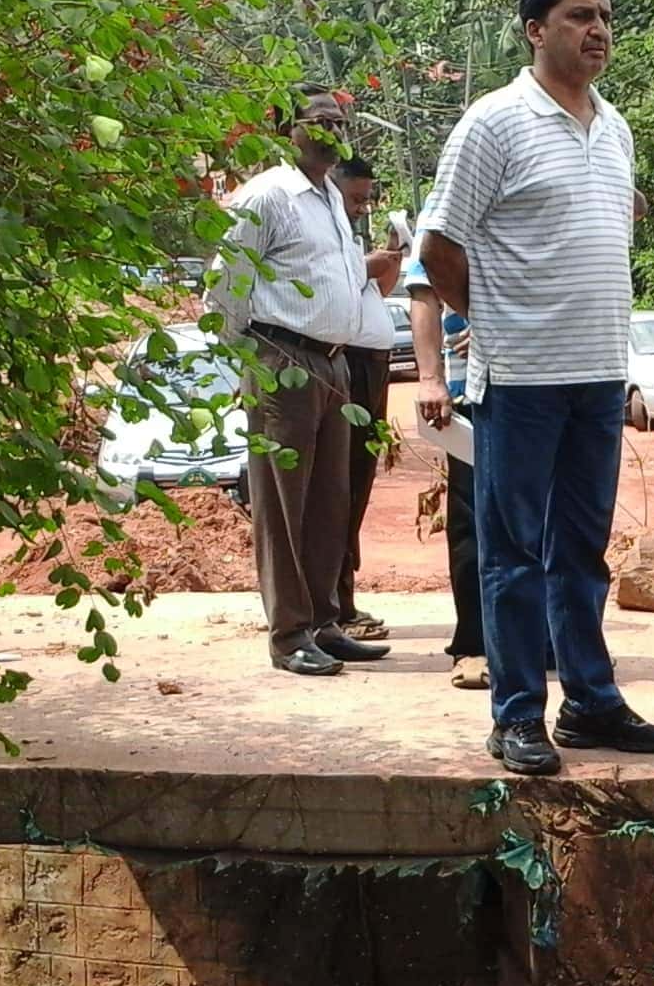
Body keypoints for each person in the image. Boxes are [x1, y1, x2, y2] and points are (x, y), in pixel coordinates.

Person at [418, 0, 654, 777]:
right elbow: (436, 247)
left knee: (580, 552)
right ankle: (518, 714)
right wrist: (497, 319)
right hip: (521, 381)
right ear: (535, 30)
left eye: (604, 16)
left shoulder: (618, 126)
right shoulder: (492, 124)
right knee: (512, 554)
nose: (597, 30)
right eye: (577, 16)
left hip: (600, 375)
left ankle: (592, 703)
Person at [207, 90, 397, 676]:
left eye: (342, 122)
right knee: (284, 503)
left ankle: (323, 621)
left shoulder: (332, 202)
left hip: (335, 365)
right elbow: (224, 288)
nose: (336, 131)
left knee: (328, 502)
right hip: (282, 360)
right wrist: (251, 361)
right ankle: (289, 635)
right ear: (288, 129)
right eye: (322, 122)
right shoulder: (267, 196)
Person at [403, 243, 489, 690]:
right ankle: (474, 644)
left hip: (547, 387)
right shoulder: (448, 207)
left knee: (550, 522)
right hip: (473, 395)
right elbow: (424, 297)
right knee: (473, 522)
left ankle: (549, 640)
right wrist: (430, 378)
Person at [330, 154, 406, 644]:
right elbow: (328, 288)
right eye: (355, 198)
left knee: (359, 480)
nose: (362, 208)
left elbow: (376, 289)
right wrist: (365, 266)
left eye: (367, 199)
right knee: (342, 484)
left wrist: (386, 261)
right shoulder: (322, 229)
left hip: (372, 367)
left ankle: (343, 598)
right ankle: (336, 605)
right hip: (349, 366)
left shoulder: (346, 232)